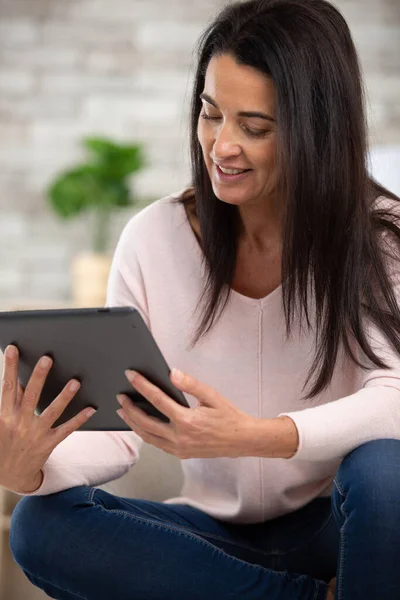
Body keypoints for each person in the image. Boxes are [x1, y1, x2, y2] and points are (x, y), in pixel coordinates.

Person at [2, 0, 400, 598]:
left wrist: (250, 435)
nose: (222, 146)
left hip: (339, 525)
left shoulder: (378, 234)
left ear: (317, 128)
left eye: (255, 127)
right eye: (211, 114)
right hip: (215, 533)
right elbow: (119, 428)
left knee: (386, 473)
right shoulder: (153, 238)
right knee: (40, 527)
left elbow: (394, 400)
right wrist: (28, 466)